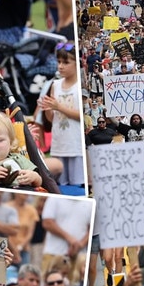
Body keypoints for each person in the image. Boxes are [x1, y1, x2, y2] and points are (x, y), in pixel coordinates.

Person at [39, 43, 85, 186]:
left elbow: (82, 116)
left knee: (77, 185)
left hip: (76, 145)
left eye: (66, 62)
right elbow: (51, 118)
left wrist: (58, 106)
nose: (60, 66)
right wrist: (47, 107)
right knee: (61, 185)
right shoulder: (55, 85)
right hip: (59, 144)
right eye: (59, 62)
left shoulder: (80, 86)